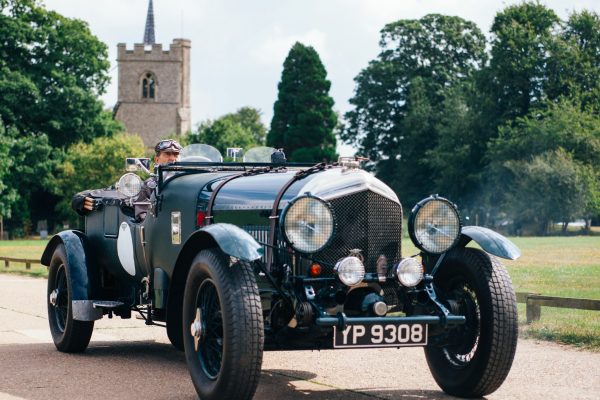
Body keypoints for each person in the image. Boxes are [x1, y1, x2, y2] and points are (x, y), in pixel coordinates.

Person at [72, 139, 183, 216]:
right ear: (156, 159)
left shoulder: (189, 180)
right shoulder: (151, 184)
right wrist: (84, 196)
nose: (172, 158)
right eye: (167, 154)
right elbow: (142, 214)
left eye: (176, 154)